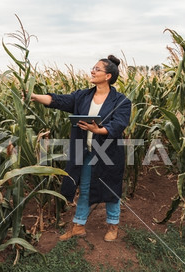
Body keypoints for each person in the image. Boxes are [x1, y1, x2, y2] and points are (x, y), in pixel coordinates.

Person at [31, 55, 132, 242]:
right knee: (84, 188)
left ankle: (113, 225)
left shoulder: (121, 101)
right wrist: (34, 96)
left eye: (97, 69)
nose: (92, 71)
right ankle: (78, 226)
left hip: (108, 153)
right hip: (85, 152)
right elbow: (59, 101)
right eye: (93, 68)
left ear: (108, 76)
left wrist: (98, 130)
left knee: (111, 190)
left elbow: (119, 124)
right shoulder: (83, 96)